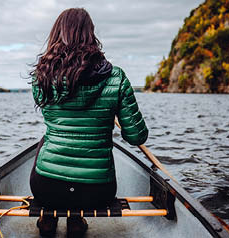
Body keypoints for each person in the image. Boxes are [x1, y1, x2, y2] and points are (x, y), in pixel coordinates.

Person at [30, 8, 148, 238]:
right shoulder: (117, 77)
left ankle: (48, 218)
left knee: (46, 140)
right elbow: (136, 137)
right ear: (90, 35)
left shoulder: (41, 76)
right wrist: (112, 110)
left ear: (57, 35)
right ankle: (75, 221)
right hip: (97, 192)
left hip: (47, 189)